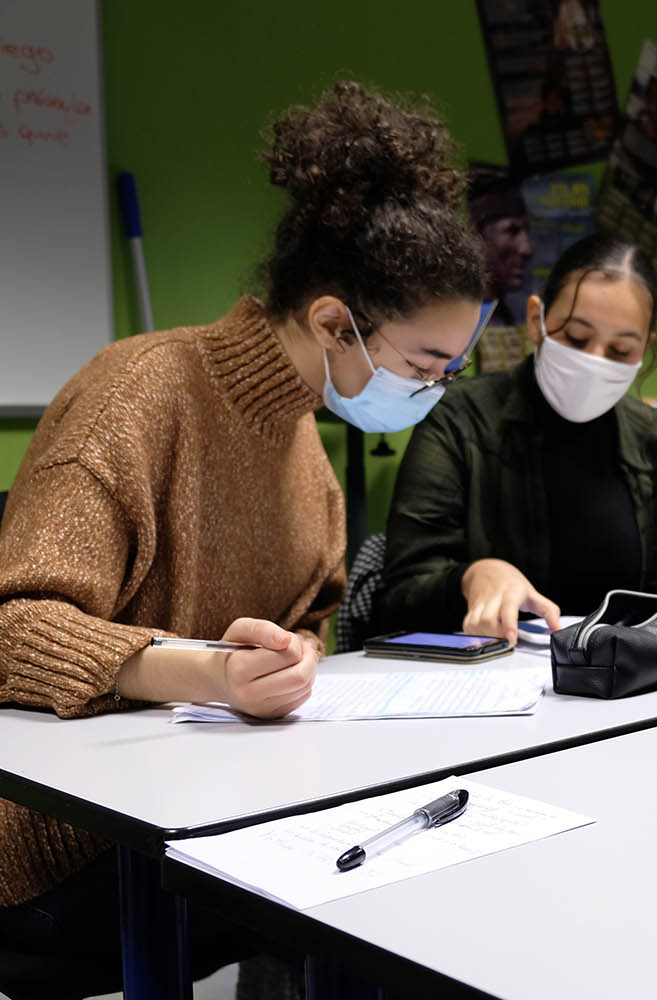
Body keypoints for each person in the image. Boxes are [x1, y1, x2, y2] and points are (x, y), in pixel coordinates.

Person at [0, 81, 485, 996]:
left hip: (207, 795)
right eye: (424, 364)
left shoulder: (311, 462)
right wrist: (209, 672)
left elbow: (309, 621)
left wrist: (292, 656)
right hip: (59, 849)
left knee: (425, 872)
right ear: (334, 322)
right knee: (379, 916)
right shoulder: (136, 396)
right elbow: (12, 631)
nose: (434, 390)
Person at [379, 232, 657, 644]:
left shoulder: (654, 442)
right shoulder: (460, 421)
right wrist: (470, 579)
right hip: (488, 686)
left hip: (616, 684)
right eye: (577, 339)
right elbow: (398, 598)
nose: (594, 361)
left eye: (620, 351)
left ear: (644, 348)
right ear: (536, 320)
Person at [468, 163, 534, 325]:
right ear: (475, 236)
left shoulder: (506, 317)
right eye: (511, 231)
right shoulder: (455, 319)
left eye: (526, 231)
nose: (527, 249)